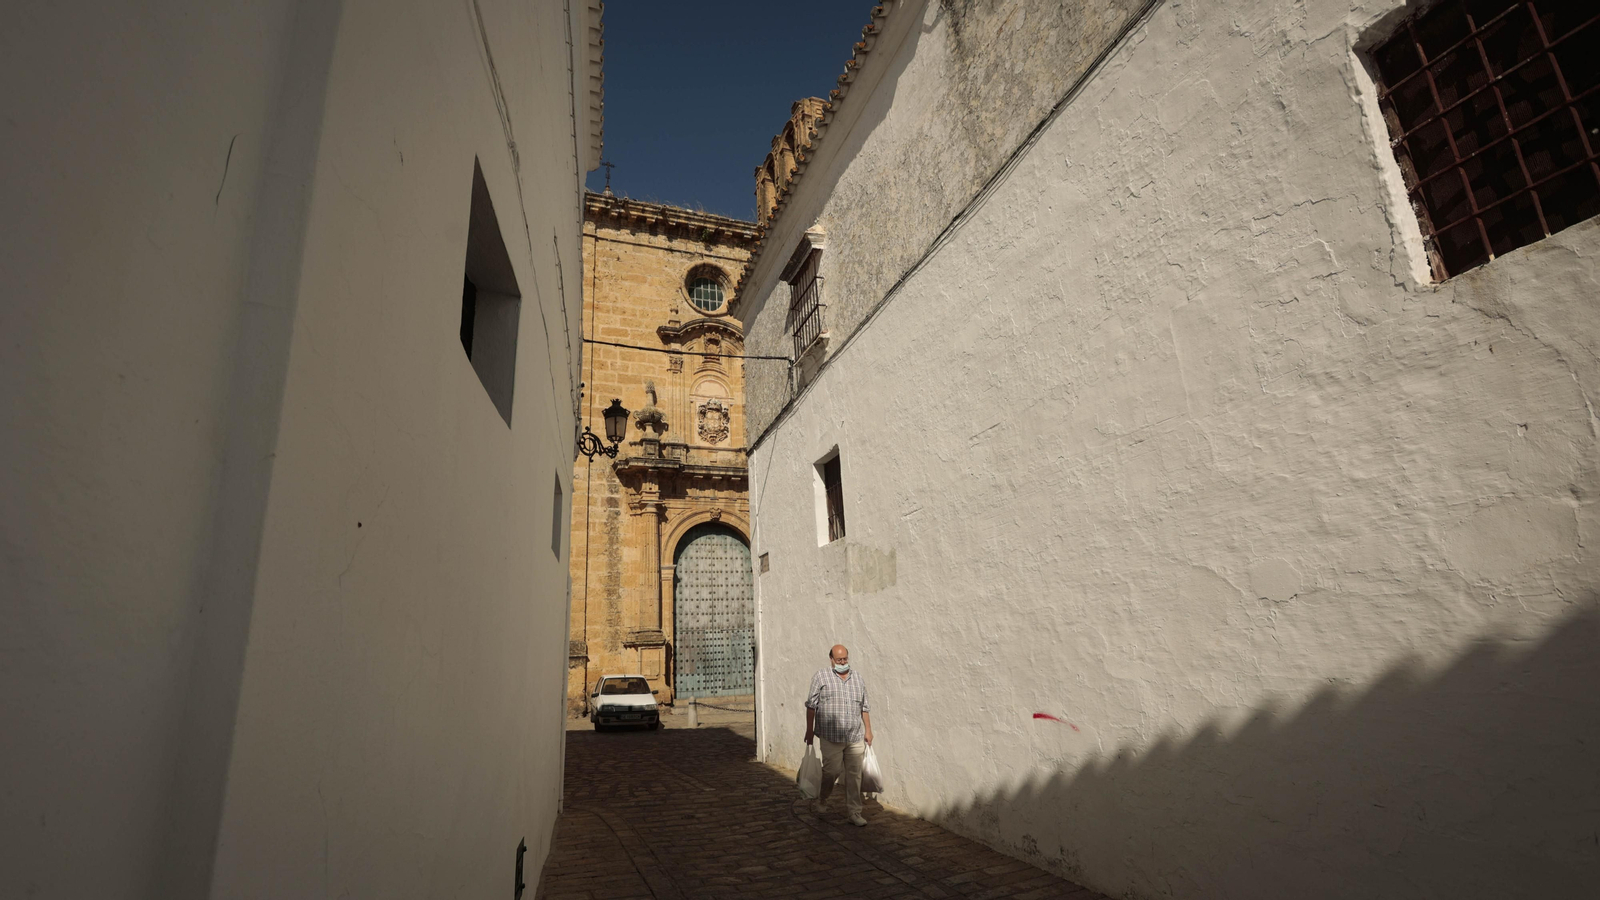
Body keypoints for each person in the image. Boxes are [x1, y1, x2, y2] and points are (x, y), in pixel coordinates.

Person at [804, 643, 873, 826]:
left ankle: (854, 812)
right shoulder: (821, 676)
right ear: (832, 660)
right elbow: (811, 705)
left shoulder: (857, 678)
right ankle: (823, 799)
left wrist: (868, 730)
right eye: (839, 659)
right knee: (831, 772)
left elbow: (864, 707)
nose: (843, 662)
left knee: (854, 775)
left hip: (854, 736)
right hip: (830, 736)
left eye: (845, 659)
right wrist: (809, 730)